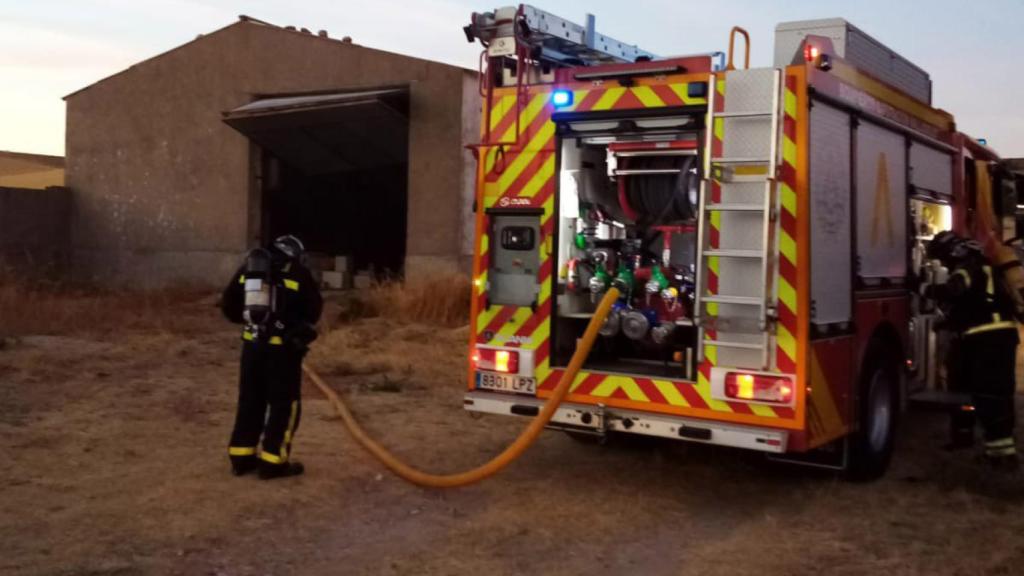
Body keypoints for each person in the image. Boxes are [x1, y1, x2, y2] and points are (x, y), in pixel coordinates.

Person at [220, 235, 323, 479]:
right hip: (283, 352)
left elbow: (229, 306)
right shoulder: (298, 272)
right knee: (284, 405)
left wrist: (253, 323)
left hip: (252, 348)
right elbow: (313, 310)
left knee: (250, 401)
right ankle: (273, 462)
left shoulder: (250, 269)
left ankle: (242, 457)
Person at [927, 230, 1019, 471]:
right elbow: (971, 305)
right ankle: (968, 440)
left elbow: (955, 290)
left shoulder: (969, 267)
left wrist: (924, 287)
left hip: (990, 339)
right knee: (968, 388)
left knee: (991, 395)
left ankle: (1002, 457)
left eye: (943, 257)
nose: (944, 263)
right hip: (988, 337)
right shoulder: (981, 266)